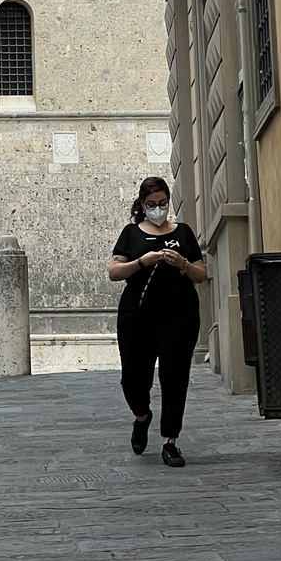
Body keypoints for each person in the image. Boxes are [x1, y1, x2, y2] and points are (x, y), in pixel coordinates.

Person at [109, 176, 206, 466]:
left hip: (180, 315)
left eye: (162, 204)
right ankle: (142, 416)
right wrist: (144, 261)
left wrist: (183, 264)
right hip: (137, 315)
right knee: (133, 379)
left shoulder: (184, 233)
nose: (158, 209)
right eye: (152, 204)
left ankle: (170, 442)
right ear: (142, 204)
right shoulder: (131, 233)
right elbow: (114, 272)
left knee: (175, 377)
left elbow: (200, 274)